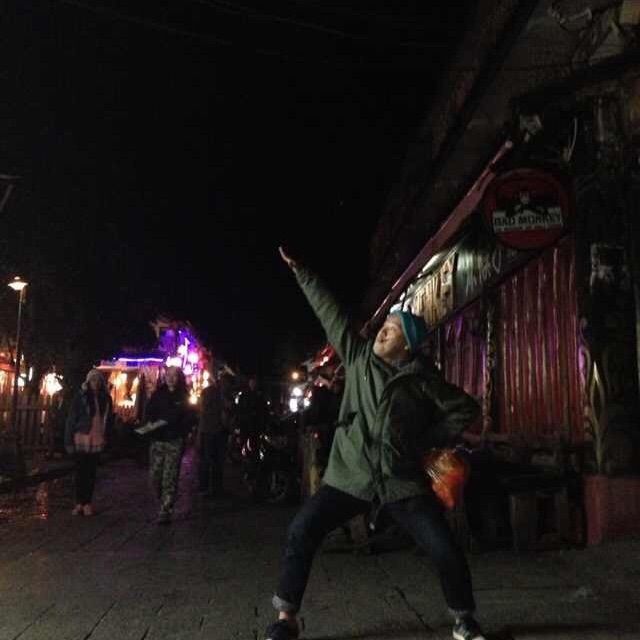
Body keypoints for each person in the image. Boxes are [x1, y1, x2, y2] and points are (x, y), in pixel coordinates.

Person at [265, 247, 486, 640]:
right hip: (351, 475)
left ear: (408, 345)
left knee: (443, 548)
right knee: (302, 529)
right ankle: (286, 620)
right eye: (385, 325)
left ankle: (464, 618)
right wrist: (302, 271)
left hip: (401, 480)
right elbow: (330, 313)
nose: (383, 331)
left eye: (393, 329)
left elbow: (465, 409)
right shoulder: (358, 359)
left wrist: (427, 438)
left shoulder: (422, 381)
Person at [145, 366, 194, 524]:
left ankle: (165, 509)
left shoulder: (183, 396)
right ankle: (163, 499)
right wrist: (150, 425)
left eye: (174, 375)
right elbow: (149, 413)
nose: (171, 378)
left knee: (170, 476)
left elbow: (189, 418)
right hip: (157, 440)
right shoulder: (158, 394)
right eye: (168, 375)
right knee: (155, 476)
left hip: (174, 441)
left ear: (179, 378)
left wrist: (182, 432)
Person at [65, 369, 114, 516]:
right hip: (82, 437)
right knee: (80, 471)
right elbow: (72, 418)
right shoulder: (81, 397)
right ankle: (79, 502)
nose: (95, 383)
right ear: (88, 381)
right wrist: (68, 440)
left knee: (91, 472)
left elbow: (107, 419)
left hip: (97, 438)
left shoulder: (105, 398)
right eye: (93, 380)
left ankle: (87, 502)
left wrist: (107, 437)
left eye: (98, 380)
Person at [197, 373, 229, 496]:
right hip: (212, 431)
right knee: (212, 461)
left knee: (211, 461)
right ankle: (211, 487)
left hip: (212, 431)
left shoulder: (211, 392)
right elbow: (204, 412)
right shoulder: (215, 393)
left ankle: (209, 487)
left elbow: (202, 411)